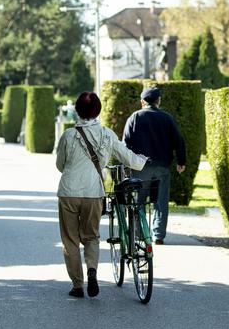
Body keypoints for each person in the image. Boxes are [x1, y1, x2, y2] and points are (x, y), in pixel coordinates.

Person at [56, 92, 148, 298]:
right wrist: (143, 161)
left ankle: (77, 285)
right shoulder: (107, 134)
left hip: (68, 192)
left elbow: (59, 165)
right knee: (91, 236)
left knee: (70, 239)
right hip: (93, 192)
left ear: (77, 110)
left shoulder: (69, 135)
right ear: (98, 111)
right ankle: (92, 271)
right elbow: (127, 157)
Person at [123, 87, 186, 245]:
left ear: (142, 101)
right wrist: (181, 161)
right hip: (162, 166)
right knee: (161, 201)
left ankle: (138, 235)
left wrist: (127, 164)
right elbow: (179, 141)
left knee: (138, 201)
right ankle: (158, 235)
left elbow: (125, 144)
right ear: (159, 101)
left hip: (140, 167)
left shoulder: (135, 117)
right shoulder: (167, 118)